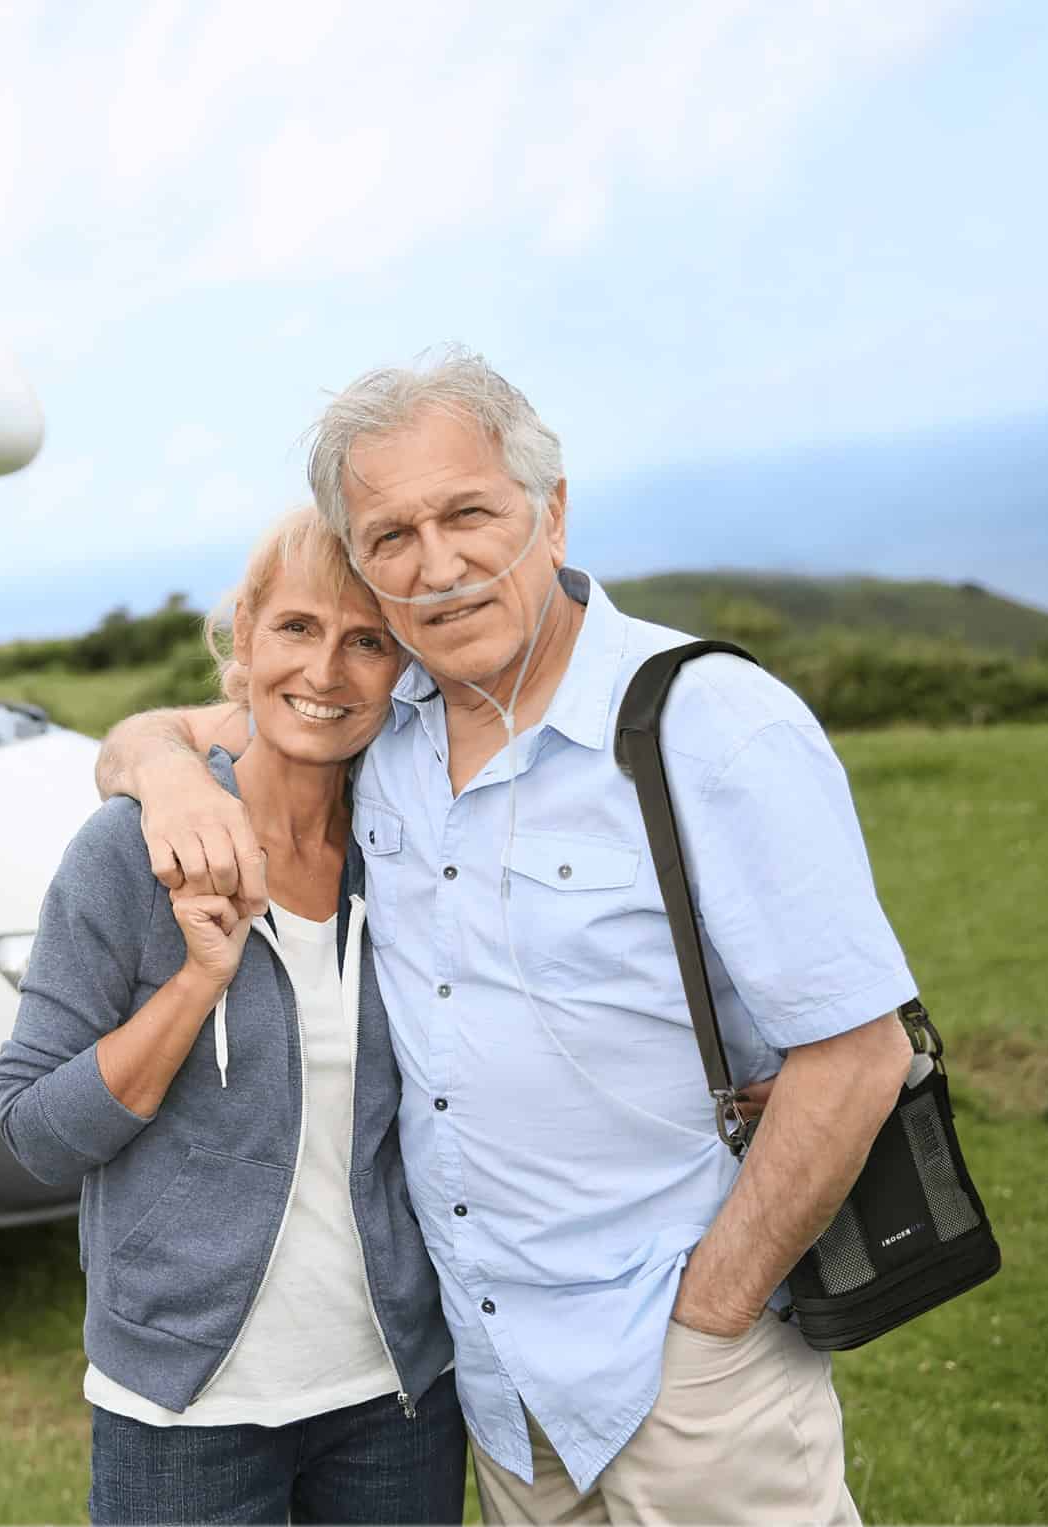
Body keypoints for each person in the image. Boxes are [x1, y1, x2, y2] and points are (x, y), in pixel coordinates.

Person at [96, 348, 918, 1525]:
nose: (434, 566)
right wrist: (167, 781)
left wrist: (707, 1321)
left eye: (467, 513)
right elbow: (162, 730)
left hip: (678, 1372)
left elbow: (858, 1055)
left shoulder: (709, 723)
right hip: (494, 1393)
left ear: (552, 509)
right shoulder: (387, 721)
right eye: (389, 537)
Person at [0, 508, 465, 1526]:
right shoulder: (127, 852)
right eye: (296, 628)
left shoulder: (412, 847)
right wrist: (194, 983)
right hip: (182, 1405)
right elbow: (33, 1129)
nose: (328, 673)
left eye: (367, 641)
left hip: (394, 1393)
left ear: (400, 668)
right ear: (242, 640)